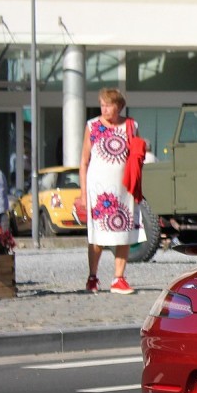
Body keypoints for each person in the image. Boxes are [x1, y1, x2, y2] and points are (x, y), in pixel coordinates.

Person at [80, 88, 143, 294]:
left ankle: (119, 278)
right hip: (99, 190)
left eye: (108, 105)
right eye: (102, 105)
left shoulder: (130, 126)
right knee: (98, 235)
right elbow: (84, 161)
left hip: (123, 189)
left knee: (123, 233)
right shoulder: (93, 126)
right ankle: (93, 276)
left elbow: (136, 155)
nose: (104, 109)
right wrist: (83, 192)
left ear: (118, 106)